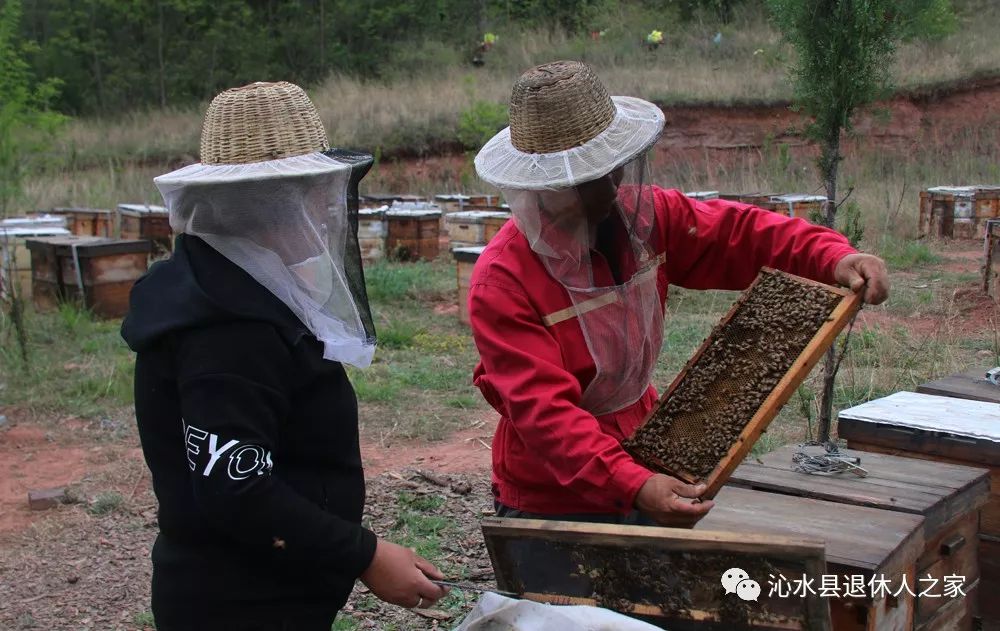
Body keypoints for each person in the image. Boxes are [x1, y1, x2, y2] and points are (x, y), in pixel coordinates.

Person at [468, 61, 889, 528]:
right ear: (545, 185)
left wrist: (830, 256)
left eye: (613, 170)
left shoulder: (644, 217)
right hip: (551, 490)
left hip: (648, 441)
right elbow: (544, 415)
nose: (610, 189)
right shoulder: (501, 282)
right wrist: (631, 484)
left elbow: (738, 234)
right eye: (588, 180)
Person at [121, 81, 446, 631]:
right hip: (240, 604)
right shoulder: (227, 328)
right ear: (267, 203)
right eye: (313, 192)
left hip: (264, 587)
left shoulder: (234, 285)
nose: (324, 211)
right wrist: (365, 554)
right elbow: (236, 488)